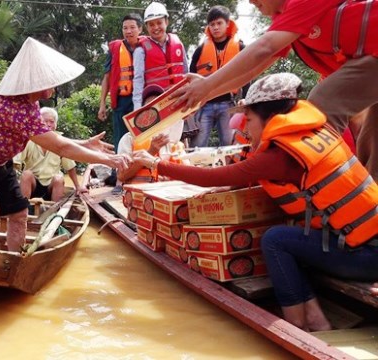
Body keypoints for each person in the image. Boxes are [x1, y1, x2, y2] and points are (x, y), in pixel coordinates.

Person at [134, 73, 378, 331]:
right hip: (366, 243)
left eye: (249, 119)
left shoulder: (280, 155)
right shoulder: (316, 132)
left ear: (268, 117)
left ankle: (299, 322)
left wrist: (154, 163)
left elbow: (212, 176)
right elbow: (243, 178)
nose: (246, 128)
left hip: (366, 255)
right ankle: (316, 317)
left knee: (275, 240)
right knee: (290, 235)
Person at [0, 37, 130, 252]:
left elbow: (48, 137)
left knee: (20, 213)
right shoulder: (12, 107)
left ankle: (12, 261)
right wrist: (109, 160)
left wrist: (85, 143)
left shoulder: (30, 104)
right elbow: (60, 147)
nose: (54, 84)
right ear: (36, 82)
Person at [171, 0, 378, 181]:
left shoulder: (302, 2)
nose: (251, 2)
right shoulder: (286, 18)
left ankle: (319, 188)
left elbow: (264, 48)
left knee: (321, 104)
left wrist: (208, 85)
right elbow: (255, 67)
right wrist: (206, 93)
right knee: (371, 143)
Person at [189, 5, 248, 147]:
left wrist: (246, 97)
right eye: (212, 24)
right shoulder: (200, 49)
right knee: (198, 144)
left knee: (229, 144)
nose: (215, 27)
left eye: (219, 23)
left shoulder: (240, 47)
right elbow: (191, 77)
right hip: (205, 104)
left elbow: (247, 74)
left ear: (227, 24)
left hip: (228, 104)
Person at [14, 107, 88, 202]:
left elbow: (70, 167)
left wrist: (78, 186)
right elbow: (15, 163)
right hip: (33, 184)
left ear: (56, 125)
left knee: (59, 179)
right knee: (26, 174)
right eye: (45, 121)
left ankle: (55, 211)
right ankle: (23, 207)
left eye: (51, 122)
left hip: (51, 186)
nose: (48, 124)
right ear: (39, 123)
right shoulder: (30, 139)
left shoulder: (60, 142)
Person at [117, 84, 185, 184]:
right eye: (150, 105)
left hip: (168, 196)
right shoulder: (129, 139)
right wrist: (150, 152)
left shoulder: (174, 140)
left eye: (159, 105)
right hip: (138, 198)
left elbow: (187, 174)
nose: (155, 111)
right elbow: (121, 176)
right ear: (142, 111)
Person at [98, 13, 144, 151]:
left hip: (141, 99)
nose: (128, 31)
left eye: (132, 27)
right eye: (125, 28)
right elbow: (107, 78)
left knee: (142, 134)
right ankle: (118, 170)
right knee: (120, 137)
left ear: (140, 29)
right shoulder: (114, 49)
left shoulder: (147, 47)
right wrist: (102, 105)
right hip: (121, 101)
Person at [132, 2, 189, 111]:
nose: (156, 27)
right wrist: (138, 108)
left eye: (159, 23)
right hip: (156, 105)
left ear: (166, 22)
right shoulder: (140, 50)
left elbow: (186, 72)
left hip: (179, 101)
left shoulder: (177, 43)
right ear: (147, 27)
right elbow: (138, 81)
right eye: (151, 24)